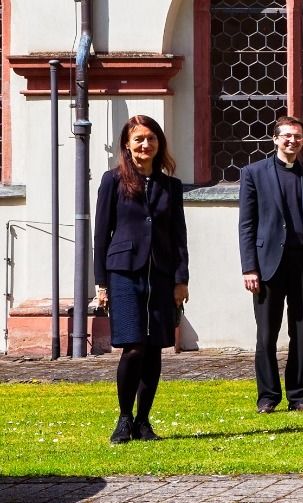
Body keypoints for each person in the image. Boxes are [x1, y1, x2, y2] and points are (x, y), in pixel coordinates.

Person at [94, 115, 189, 442]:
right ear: (127, 145)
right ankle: (124, 418)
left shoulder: (171, 187)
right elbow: (101, 235)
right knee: (133, 347)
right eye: (138, 139)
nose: (145, 145)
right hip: (123, 274)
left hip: (161, 276)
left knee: (154, 349)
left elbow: (179, 236)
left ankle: (144, 422)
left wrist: (181, 279)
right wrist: (101, 282)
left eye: (151, 138)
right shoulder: (112, 181)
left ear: (159, 143)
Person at [238, 116, 303, 414]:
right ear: (275, 139)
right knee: (266, 335)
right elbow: (247, 225)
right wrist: (249, 267)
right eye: (287, 136)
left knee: (301, 334)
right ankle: (267, 397)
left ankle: (299, 397)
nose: (293, 141)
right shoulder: (253, 173)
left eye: (298, 137)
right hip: (266, 266)